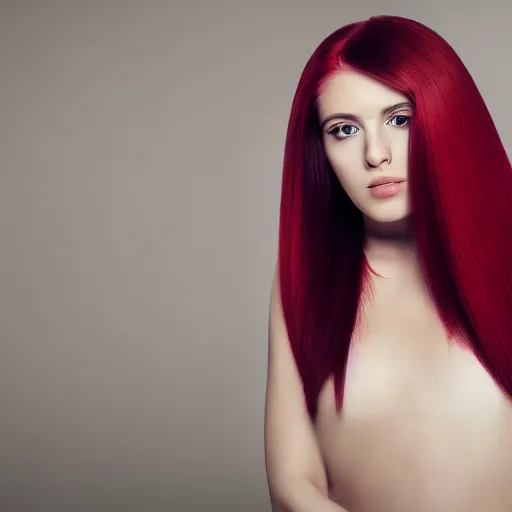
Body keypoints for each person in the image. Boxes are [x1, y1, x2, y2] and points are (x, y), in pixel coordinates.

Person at [264, 15, 512, 512]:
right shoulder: (304, 278)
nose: (375, 154)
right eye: (344, 129)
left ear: (447, 114)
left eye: (400, 119)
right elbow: (293, 480)